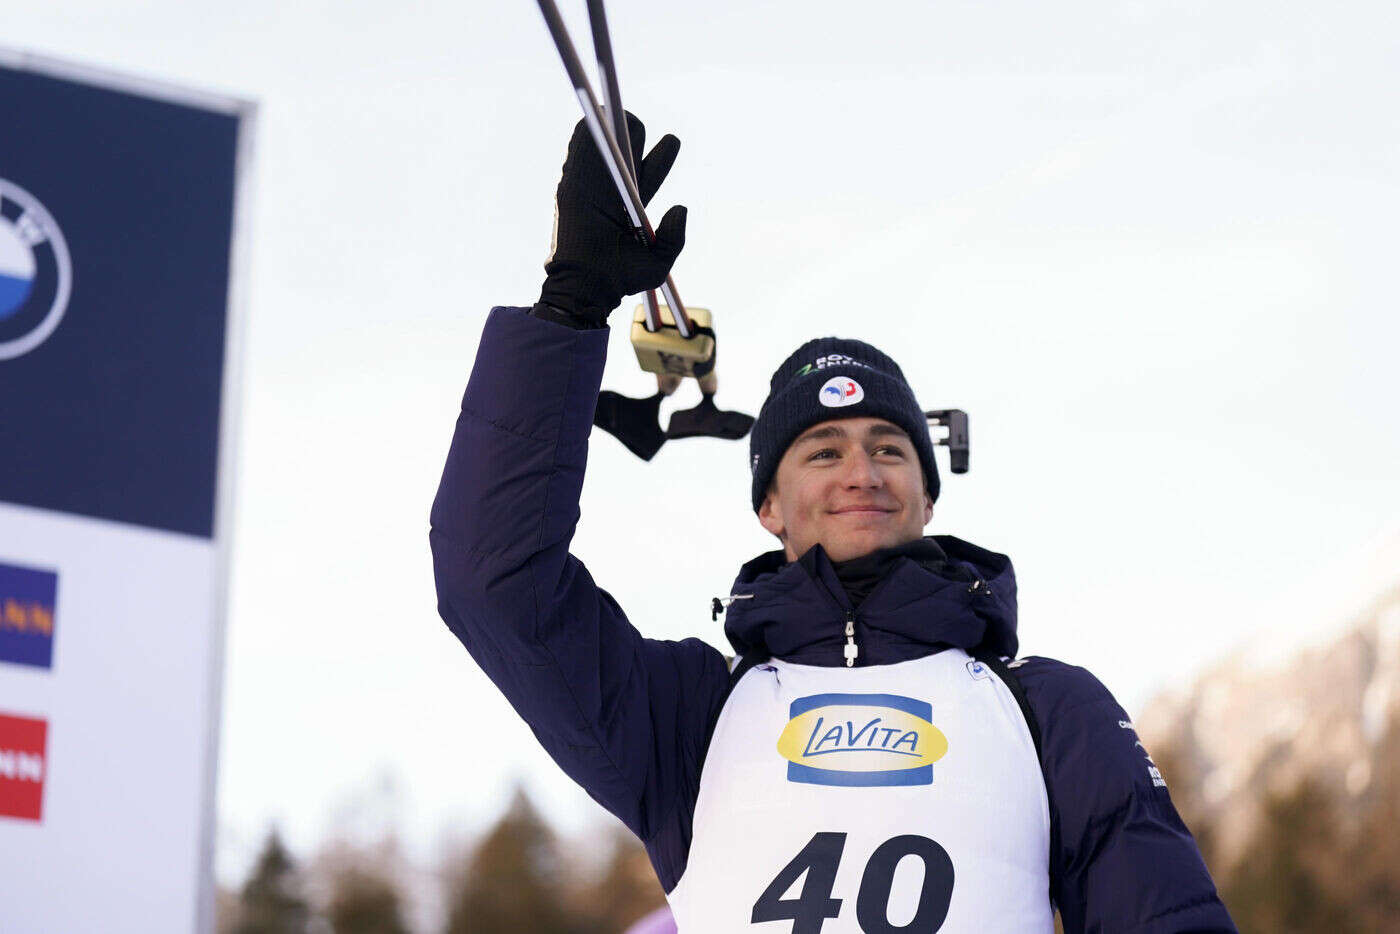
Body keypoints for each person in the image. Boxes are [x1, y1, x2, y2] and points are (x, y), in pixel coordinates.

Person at [430, 114, 1236, 933]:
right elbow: (496, 584)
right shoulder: (691, 718)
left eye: (890, 447)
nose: (862, 471)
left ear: (929, 496)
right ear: (767, 507)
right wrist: (569, 308)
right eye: (822, 451)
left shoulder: (1048, 709)